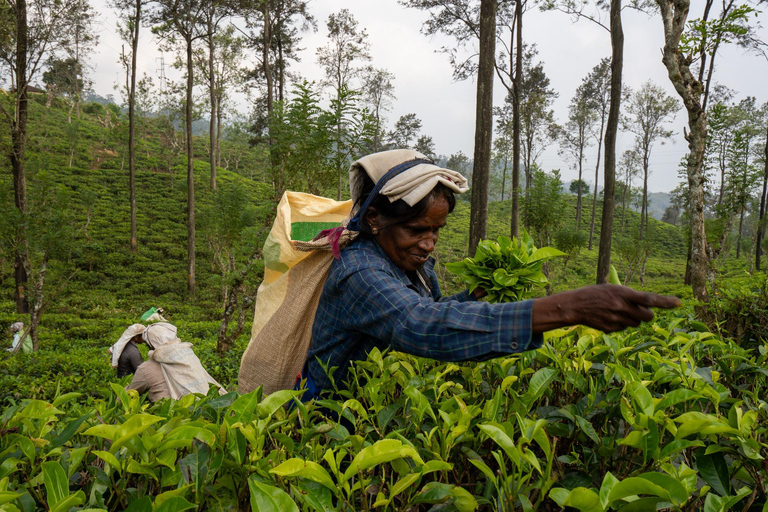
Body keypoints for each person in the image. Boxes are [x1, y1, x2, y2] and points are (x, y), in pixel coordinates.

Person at [301, 149, 680, 399]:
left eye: (436, 231)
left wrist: (472, 297)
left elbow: (424, 307)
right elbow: (419, 324)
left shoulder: (405, 261)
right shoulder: (360, 271)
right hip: (329, 417)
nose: (429, 244)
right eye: (416, 231)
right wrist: (567, 308)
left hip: (370, 403)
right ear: (373, 219)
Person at [126, 322, 225, 401]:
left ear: (150, 344)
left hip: (171, 418)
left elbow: (128, 394)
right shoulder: (189, 355)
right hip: (205, 406)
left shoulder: (146, 369)